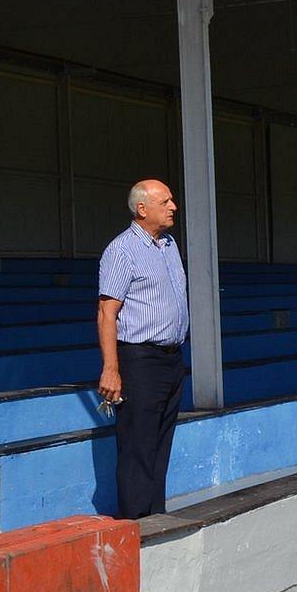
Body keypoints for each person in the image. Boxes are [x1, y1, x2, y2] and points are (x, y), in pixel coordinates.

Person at [96, 178, 189, 519]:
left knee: (161, 442)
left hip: (172, 358)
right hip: (140, 359)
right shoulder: (122, 250)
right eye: (165, 201)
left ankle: (155, 517)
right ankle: (136, 525)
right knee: (138, 444)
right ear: (142, 208)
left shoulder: (168, 245)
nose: (172, 207)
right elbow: (107, 312)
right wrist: (111, 368)